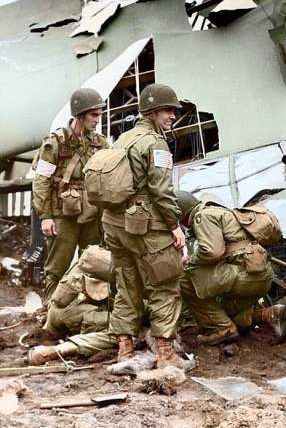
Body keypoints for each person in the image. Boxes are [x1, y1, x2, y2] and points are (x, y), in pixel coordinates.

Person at [101, 83, 188, 369]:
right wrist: (174, 225)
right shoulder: (155, 143)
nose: (173, 115)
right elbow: (161, 191)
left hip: (114, 224)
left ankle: (125, 351)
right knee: (165, 282)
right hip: (144, 225)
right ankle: (166, 354)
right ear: (152, 112)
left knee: (127, 284)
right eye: (168, 110)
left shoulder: (122, 139)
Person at [175, 191, 286, 344]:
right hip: (261, 277)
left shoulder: (202, 216)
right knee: (222, 313)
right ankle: (269, 314)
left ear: (182, 214)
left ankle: (223, 329)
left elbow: (212, 251)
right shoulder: (219, 211)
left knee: (184, 279)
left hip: (244, 277)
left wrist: (191, 261)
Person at [32, 88, 108, 301]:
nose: (98, 120)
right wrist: (45, 216)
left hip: (91, 212)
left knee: (93, 262)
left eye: (99, 114)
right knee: (58, 265)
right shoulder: (55, 142)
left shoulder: (100, 142)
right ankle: (50, 308)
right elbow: (41, 181)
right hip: (63, 213)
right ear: (80, 115)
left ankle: (88, 307)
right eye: (94, 115)